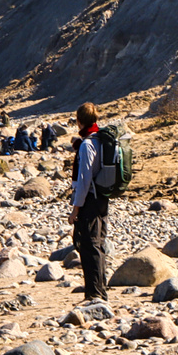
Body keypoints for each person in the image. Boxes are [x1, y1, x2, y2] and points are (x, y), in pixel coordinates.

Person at [69, 102, 111, 302]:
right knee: (98, 245)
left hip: (90, 200)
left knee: (88, 246)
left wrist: (75, 209)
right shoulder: (101, 140)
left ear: (79, 121)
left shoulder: (87, 145)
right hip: (102, 198)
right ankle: (100, 291)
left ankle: (94, 294)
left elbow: (84, 180)